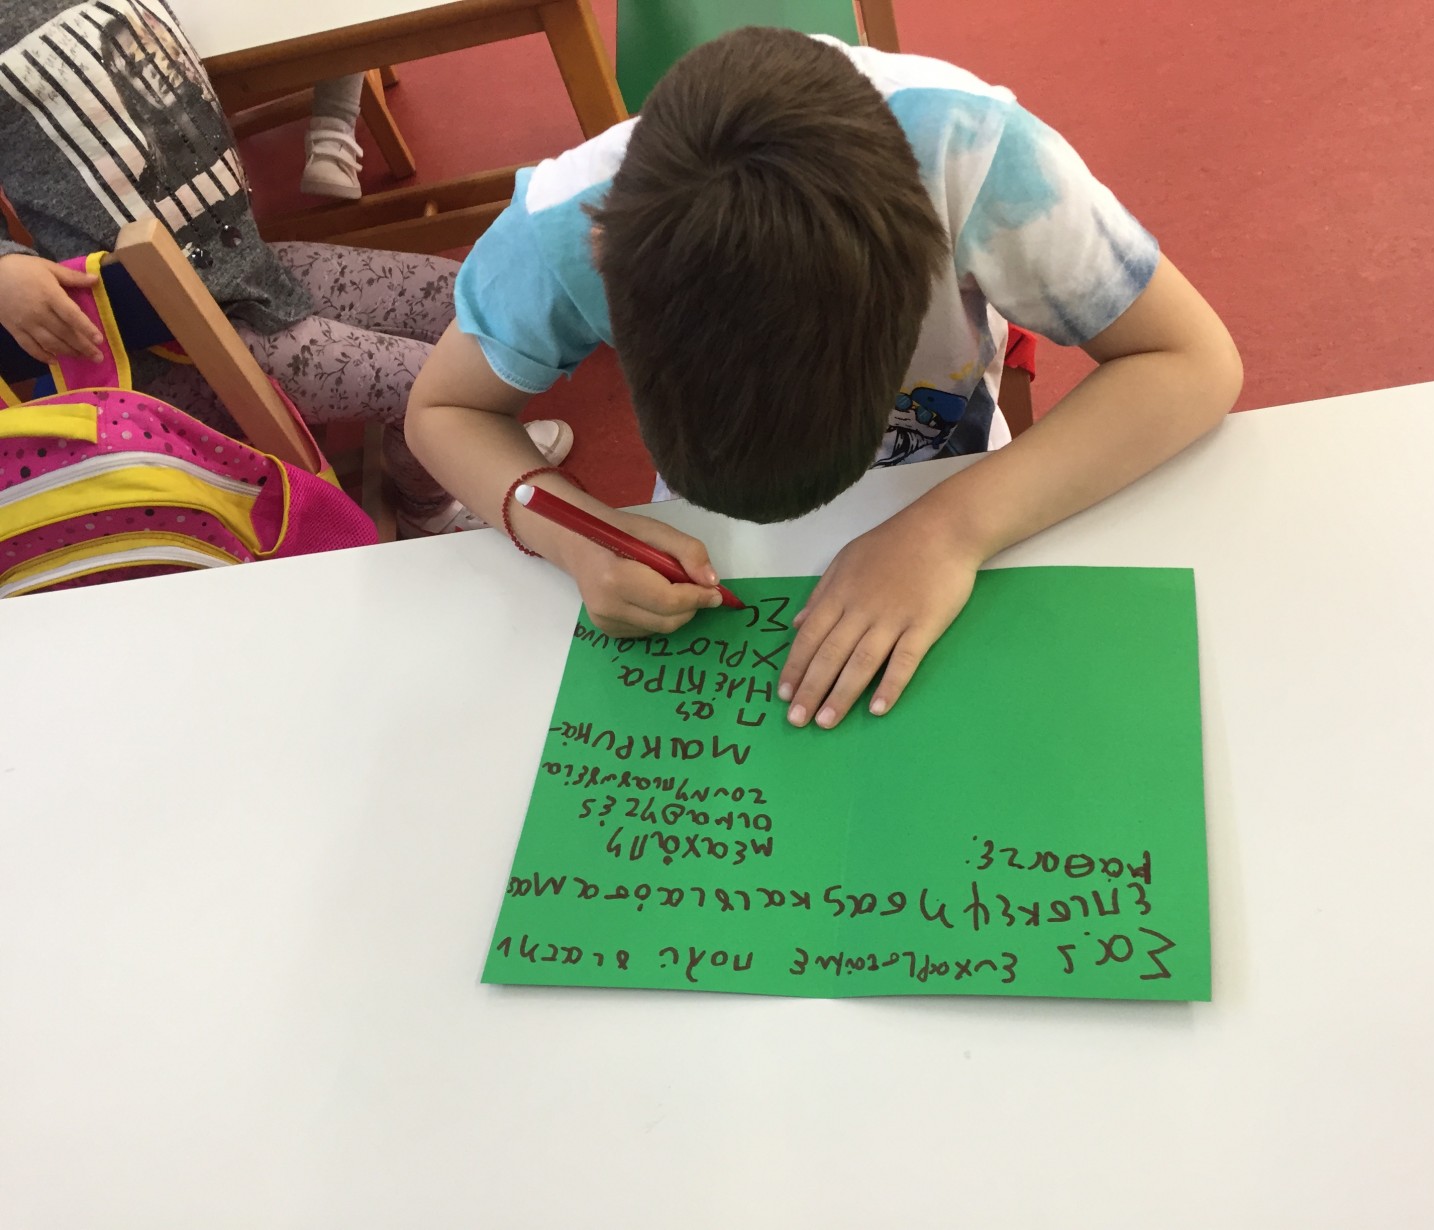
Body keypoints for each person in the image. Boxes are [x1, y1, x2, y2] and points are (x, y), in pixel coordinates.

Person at [406, 28, 1241, 721]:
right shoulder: (560, 230)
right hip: (722, 533)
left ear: (927, 264)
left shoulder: (978, 158)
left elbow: (1193, 360)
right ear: (604, 266)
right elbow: (442, 411)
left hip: (958, 483)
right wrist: (577, 537)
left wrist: (948, 529)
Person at [0, 0, 569, 536]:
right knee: (435, 388)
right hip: (170, 343)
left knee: (465, 300)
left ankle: (454, 445)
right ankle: (431, 503)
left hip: (248, 268)